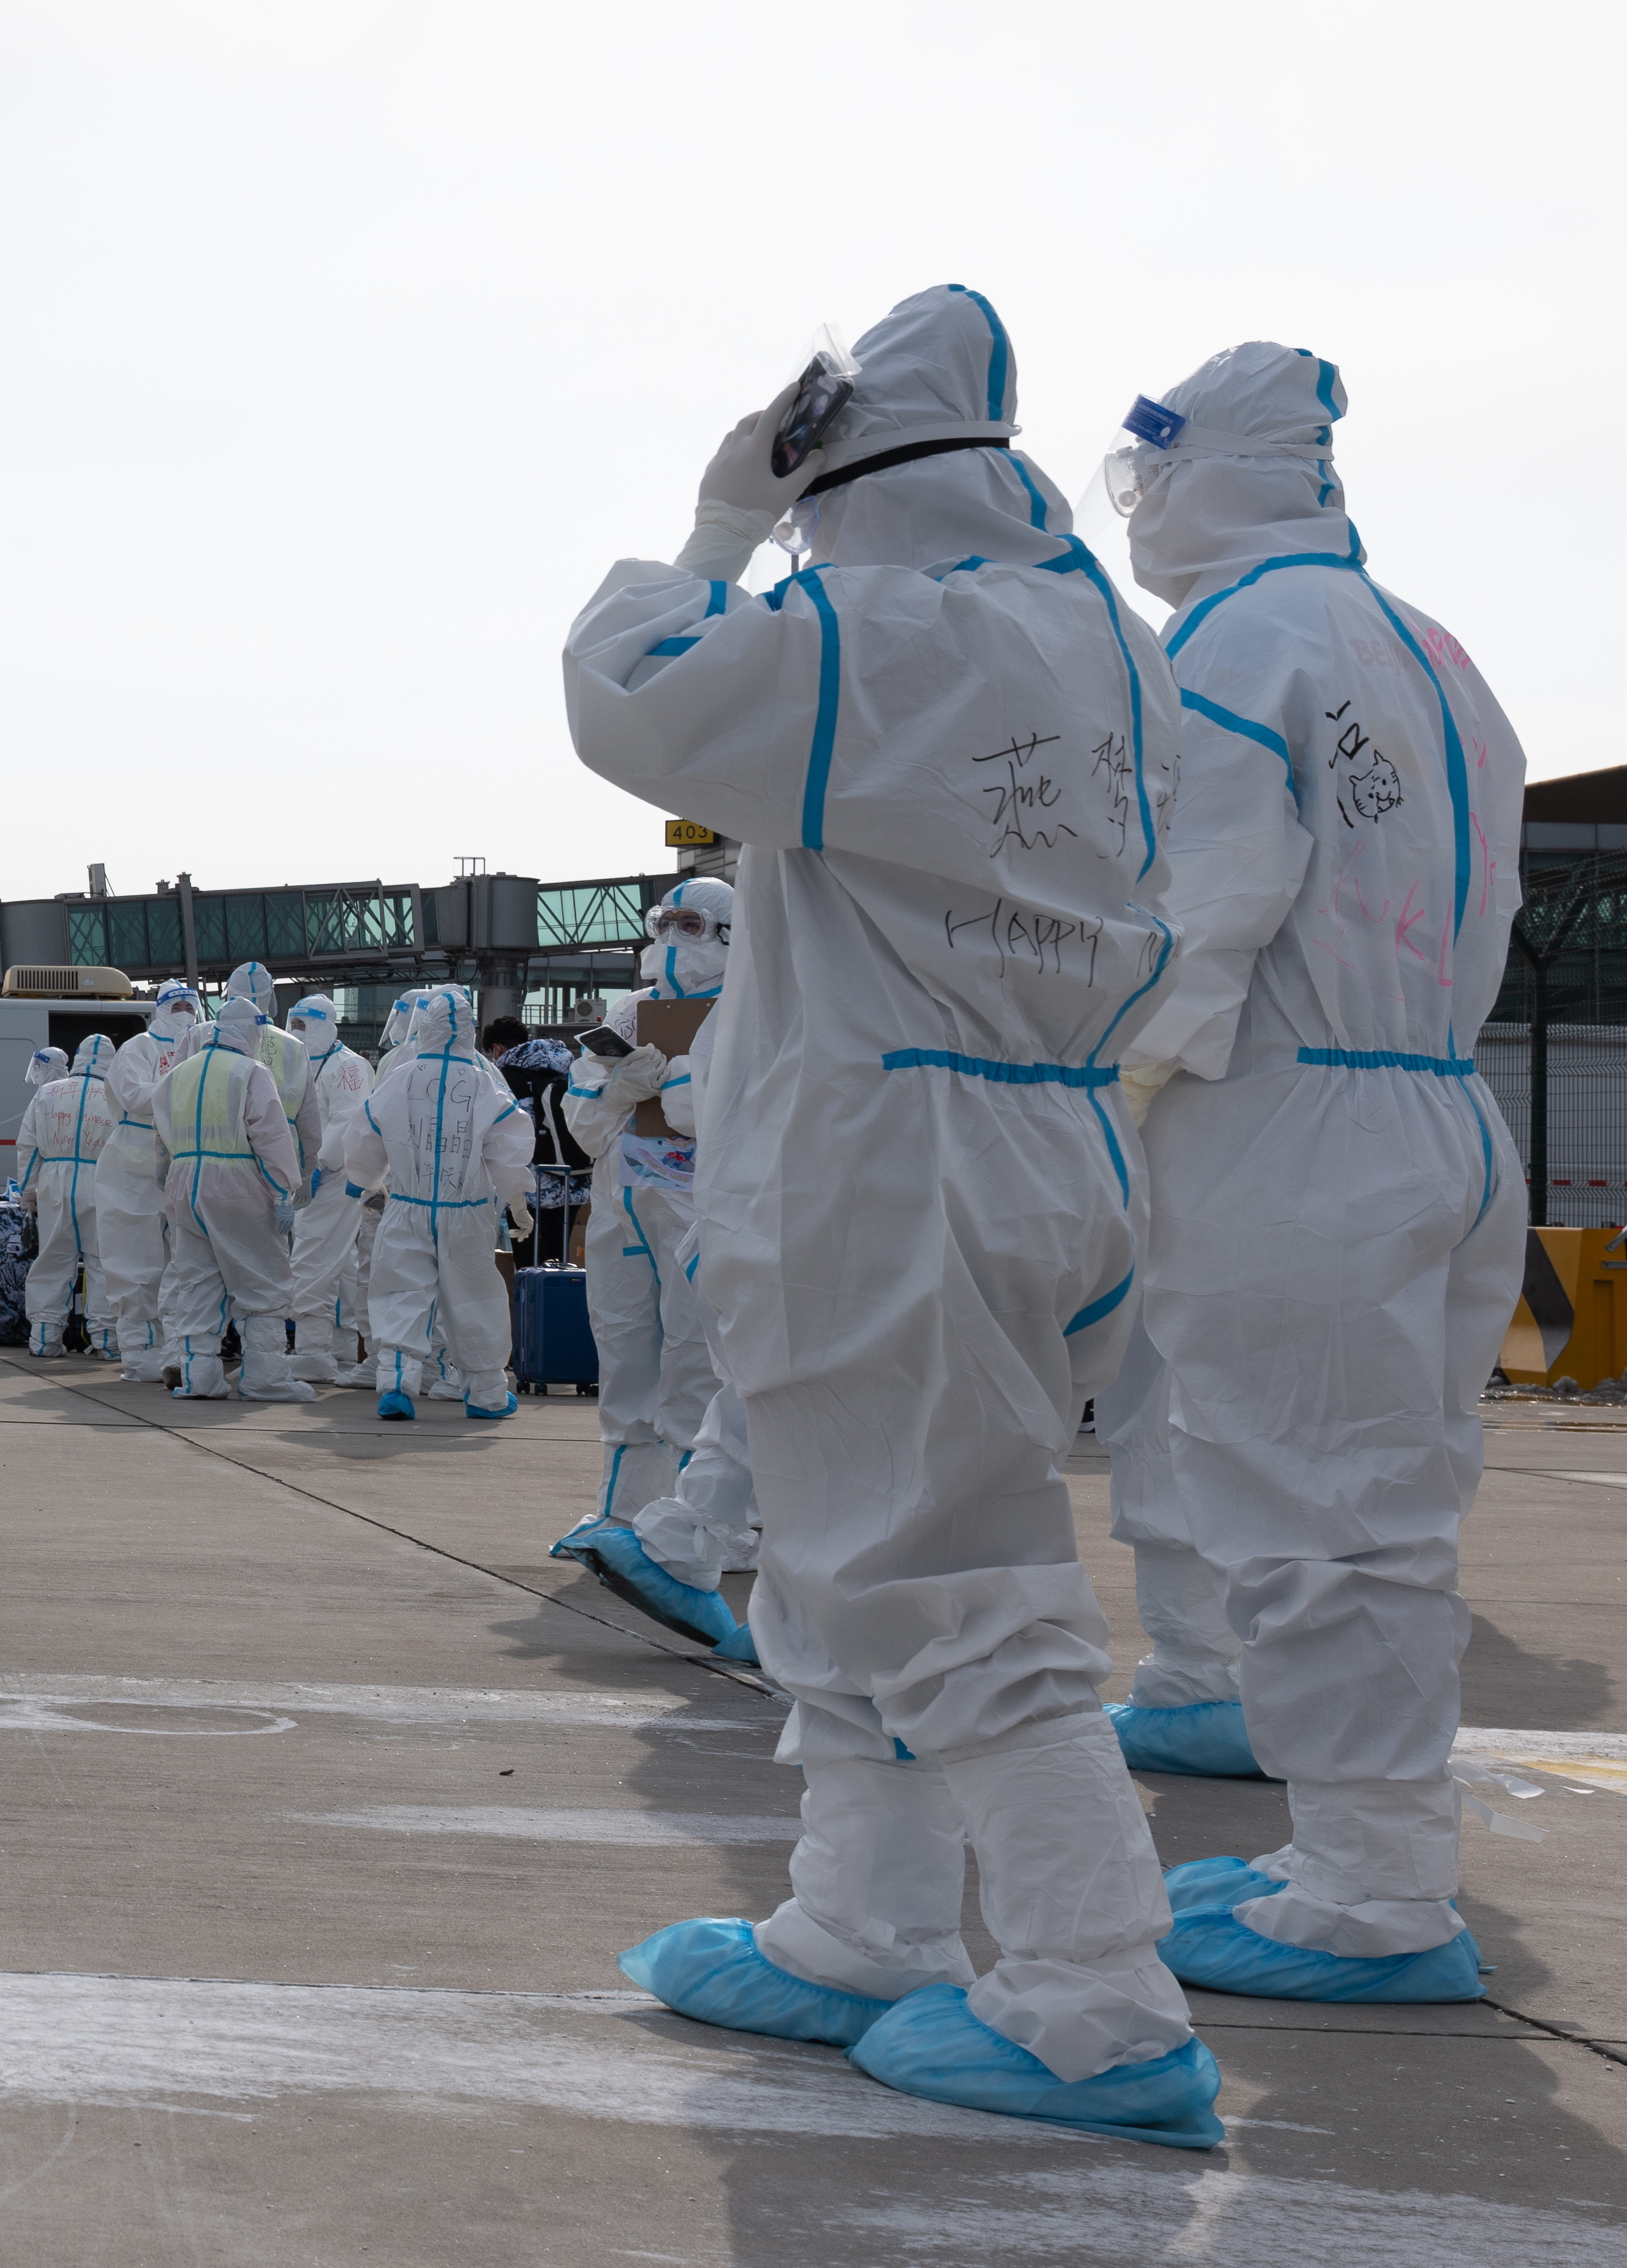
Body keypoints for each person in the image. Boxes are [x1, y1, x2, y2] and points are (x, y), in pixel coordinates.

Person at [569, 285, 1221, 2146]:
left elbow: (627, 686)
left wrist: (708, 521)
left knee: (940, 1565)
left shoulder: (886, 630)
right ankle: (859, 1918)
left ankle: (1096, 1995)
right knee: (853, 1555)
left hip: (892, 1155)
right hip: (1045, 1138)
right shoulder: (1111, 645)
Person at [1093, 343, 1527, 2007]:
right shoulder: (1434, 647)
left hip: (1294, 1127)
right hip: (1439, 1109)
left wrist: (1095, 1085)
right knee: (1392, 1516)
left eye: (1153, 472)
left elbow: (1201, 904)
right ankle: (1366, 1845)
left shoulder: (1233, 639)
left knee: (1308, 1519)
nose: (1140, 510)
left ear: (1219, 470)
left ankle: (1368, 1888)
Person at [550, 878, 760, 1656]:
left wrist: (675, 1089)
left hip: (704, 1200)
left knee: (700, 1358)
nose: (674, 933)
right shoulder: (625, 1012)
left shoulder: (754, 1006)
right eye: (665, 919)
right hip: (625, 1200)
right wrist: (617, 1088)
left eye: (693, 921)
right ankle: (623, 1515)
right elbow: (582, 1113)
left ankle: (708, 1524)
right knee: (625, 1347)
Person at [341, 985, 528, 1420]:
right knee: (474, 1298)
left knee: (401, 1293)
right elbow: (510, 1147)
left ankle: (395, 1385)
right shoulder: (485, 1082)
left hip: (407, 1205)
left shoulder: (399, 1077)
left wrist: (364, 1181)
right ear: (468, 1030)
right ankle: (486, 1394)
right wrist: (516, 1198)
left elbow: (365, 1131)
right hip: (466, 1211)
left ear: (422, 1027)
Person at [155, 971, 308, 1400]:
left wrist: (163, 1170)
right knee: (262, 1284)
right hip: (238, 1184)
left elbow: (159, 1134)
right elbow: (271, 1136)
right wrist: (284, 1191)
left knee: (197, 1284)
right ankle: (265, 1378)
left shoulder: (178, 1073)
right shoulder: (251, 1071)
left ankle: (200, 1378)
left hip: (184, 1184)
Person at [85, 984, 197, 1359]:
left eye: (190, 1005)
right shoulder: (139, 1047)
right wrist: (185, 1090)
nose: (184, 1012)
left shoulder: (200, 1048)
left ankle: (177, 1351)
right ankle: (139, 1352)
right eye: (176, 1005)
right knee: (134, 1257)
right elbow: (134, 1096)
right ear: (160, 1008)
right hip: (136, 1155)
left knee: (185, 1259)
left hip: (186, 1153)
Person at [280, 997, 375, 1376]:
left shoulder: (348, 1066)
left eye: (306, 1024)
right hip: (298, 1177)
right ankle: (339, 1350)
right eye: (294, 1023)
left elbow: (347, 1123)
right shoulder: (294, 1062)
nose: (298, 1031)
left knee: (310, 1259)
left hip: (331, 1180)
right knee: (339, 1264)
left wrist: (318, 1168)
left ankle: (310, 1350)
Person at [13, 1041, 106, 1355]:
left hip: (54, 1182)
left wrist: (28, 1191)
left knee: (53, 1259)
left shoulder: (48, 1093)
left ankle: (44, 1339)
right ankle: (108, 1340)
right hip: (101, 1182)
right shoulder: (118, 1097)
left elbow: (29, 1145)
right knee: (102, 1262)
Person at [484, 1014, 590, 1266]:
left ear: (497, 1049)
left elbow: (507, 1138)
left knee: (530, 1265)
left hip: (531, 1189)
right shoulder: (567, 1068)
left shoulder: (506, 1079)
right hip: (575, 1179)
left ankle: (532, 1305)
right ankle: (557, 1303)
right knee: (561, 1261)